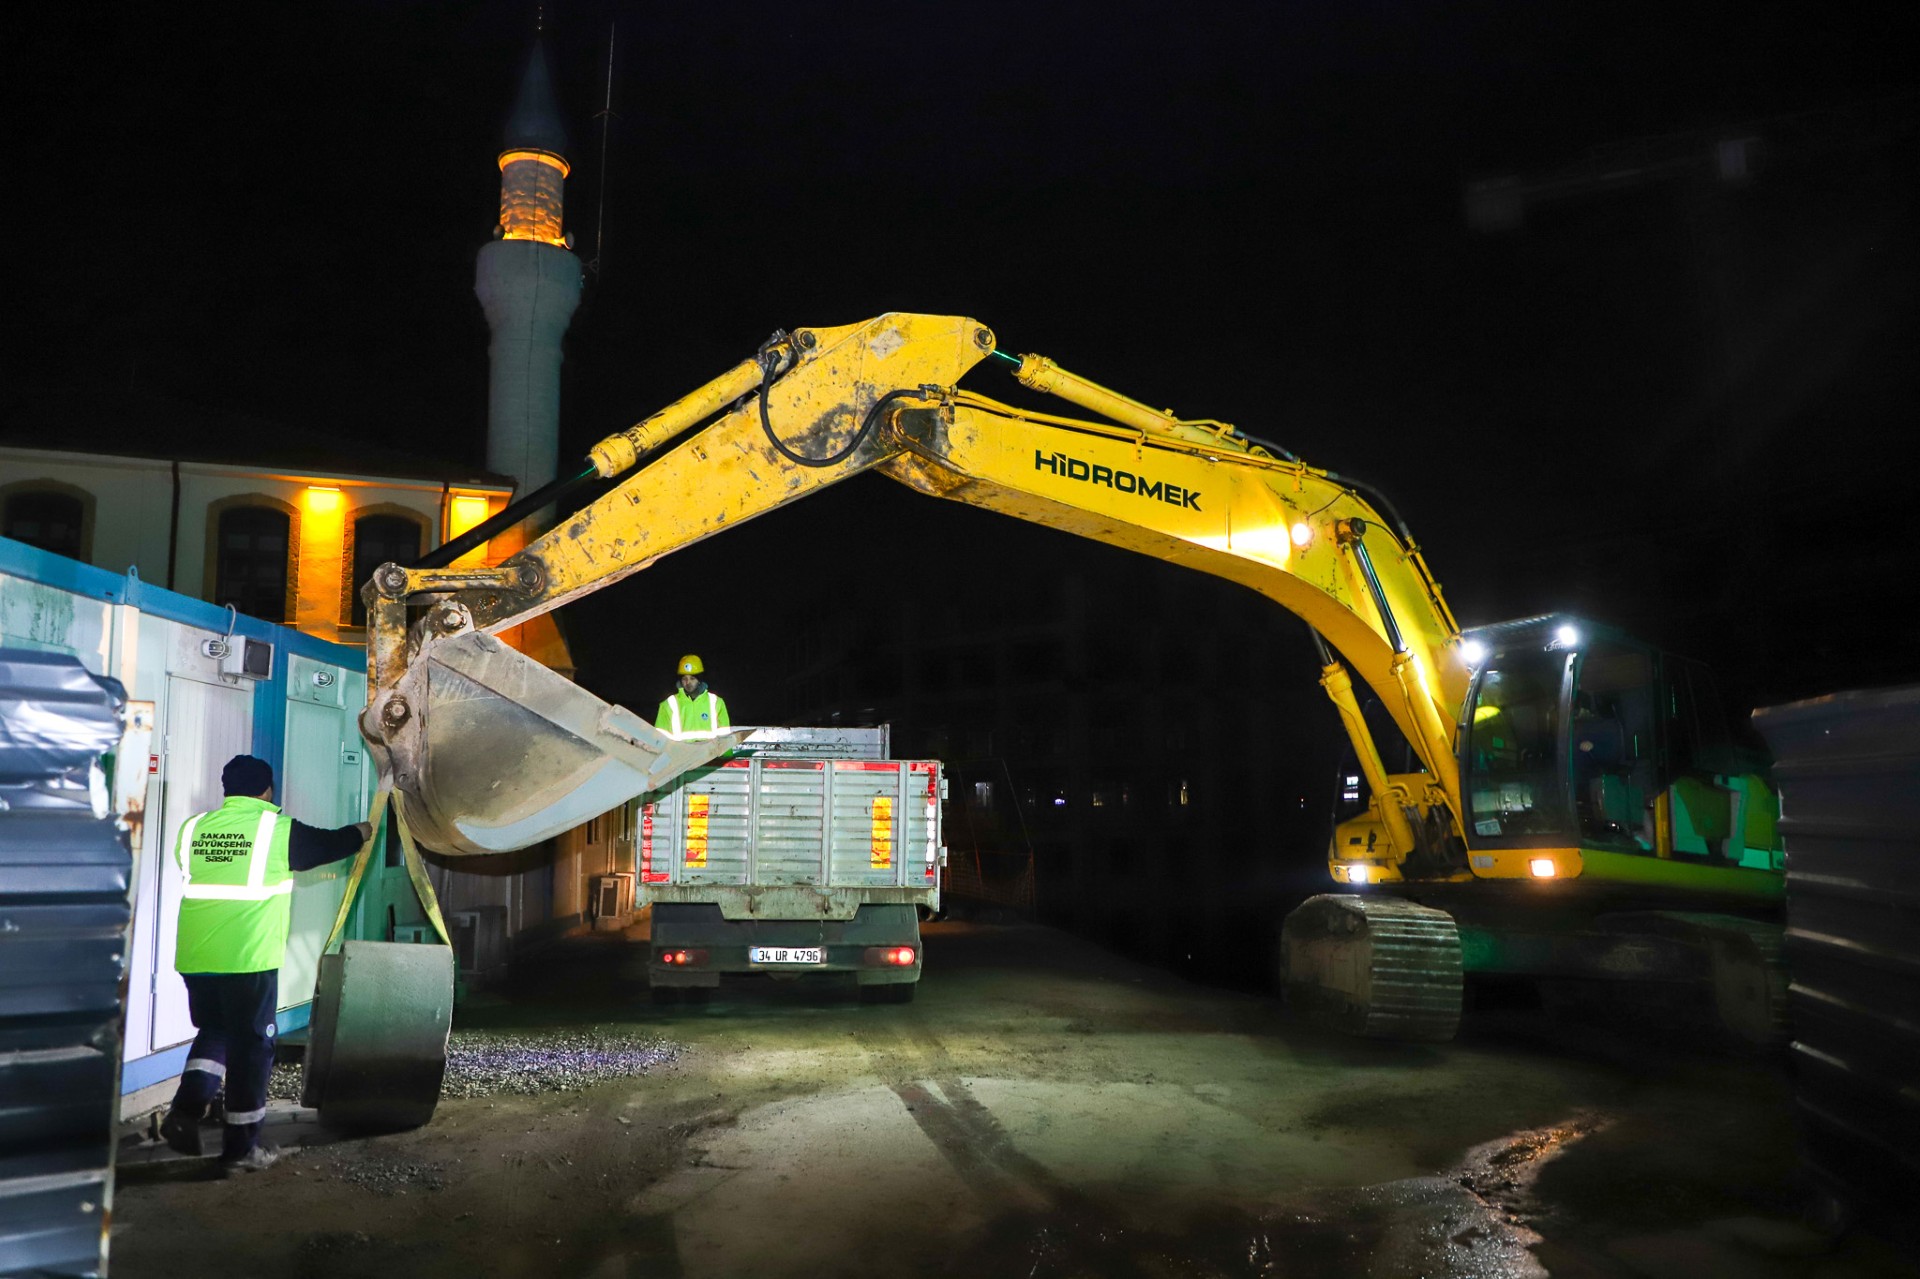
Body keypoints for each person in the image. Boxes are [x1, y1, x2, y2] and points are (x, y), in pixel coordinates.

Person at [157, 754, 371, 1174]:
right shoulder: (276, 830)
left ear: (227, 790)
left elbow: (191, 869)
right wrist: (361, 832)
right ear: (267, 790)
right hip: (247, 958)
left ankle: (184, 1114)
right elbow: (328, 845)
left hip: (197, 956)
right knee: (252, 1048)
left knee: (215, 1031)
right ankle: (241, 1149)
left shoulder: (193, 828)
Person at [655, 653, 730, 740]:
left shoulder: (716, 702)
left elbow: (725, 738)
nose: (688, 682)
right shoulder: (668, 704)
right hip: (680, 753)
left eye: (692, 678)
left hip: (710, 752)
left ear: (699, 680)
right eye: (684, 679)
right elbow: (659, 738)